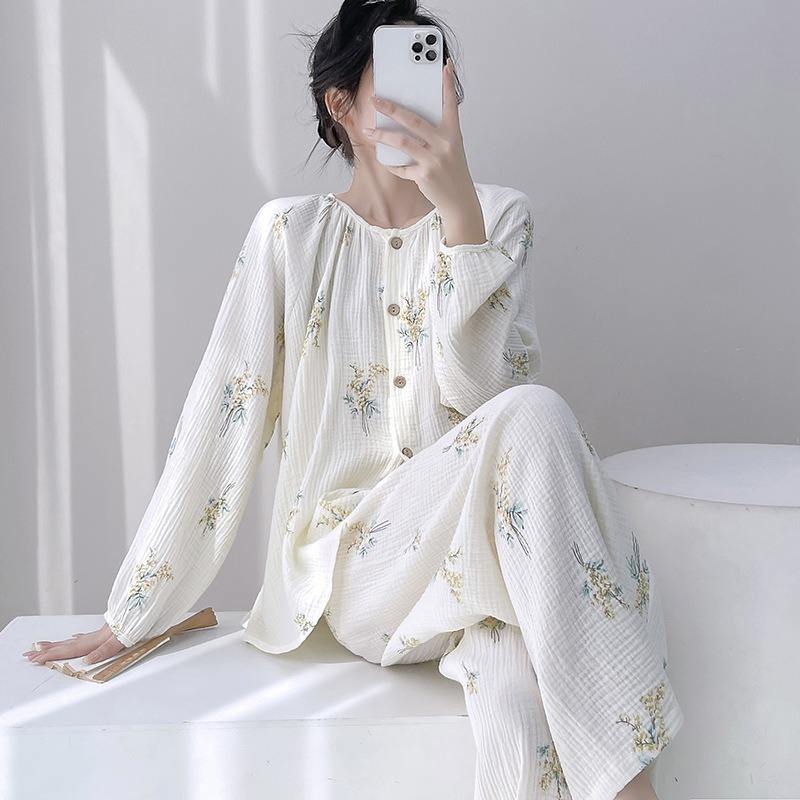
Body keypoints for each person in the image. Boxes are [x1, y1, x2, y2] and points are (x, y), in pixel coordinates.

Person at [23, 1, 683, 797]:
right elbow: (221, 419)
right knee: (538, 412)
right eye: (398, 81)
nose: (425, 99)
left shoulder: (500, 217)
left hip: (487, 560)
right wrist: (131, 613)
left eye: (435, 77)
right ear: (341, 106)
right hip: (361, 574)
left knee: (517, 709)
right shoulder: (289, 236)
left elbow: (485, 402)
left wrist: (461, 219)